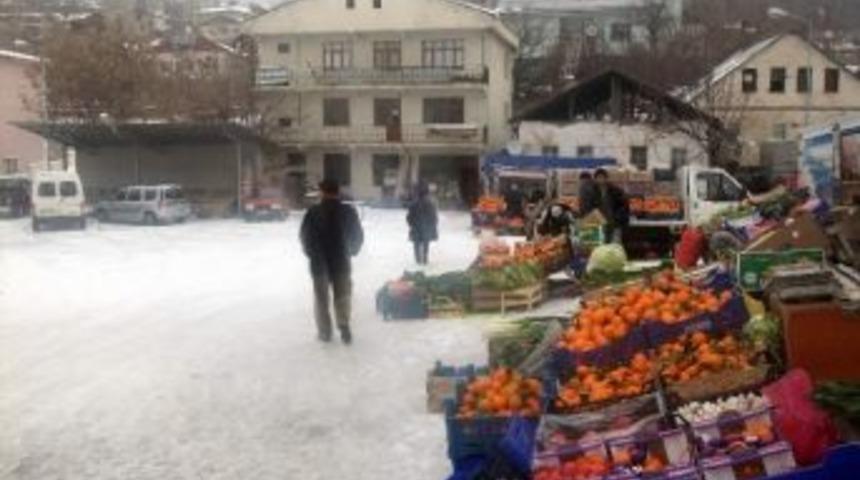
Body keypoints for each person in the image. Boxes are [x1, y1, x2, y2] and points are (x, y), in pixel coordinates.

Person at [300, 179, 364, 344]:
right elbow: (357, 235)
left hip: (319, 264)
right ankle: (344, 326)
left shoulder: (313, 212)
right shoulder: (348, 211)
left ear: (322, 192)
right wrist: (352, 251)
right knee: (343, 295)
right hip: (341, 261)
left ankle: (325, 332)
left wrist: (312, 254)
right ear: (337, 192)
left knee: (321, 299)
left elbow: (305, 237)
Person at [592, 168, 630, 244]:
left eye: (602, 177)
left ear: (606, 178)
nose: (601, 179)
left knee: (615, 244)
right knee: (601, 245)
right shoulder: (592, 191)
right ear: (595, 179)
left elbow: (624, 205)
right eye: (598, 177)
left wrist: (618, 217)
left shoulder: (615, 190)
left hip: (614, 223)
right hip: (600, 224)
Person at [406, 183, 438, 265]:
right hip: (426, 227)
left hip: (416, 227)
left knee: (416, 245)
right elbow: (433, 216)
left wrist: (411, 224)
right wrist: (433, 226)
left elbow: (409, 217)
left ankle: (418, 261)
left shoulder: (413, 203)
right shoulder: (430, 203)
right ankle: (425, 259)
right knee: (425, 243)